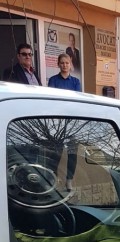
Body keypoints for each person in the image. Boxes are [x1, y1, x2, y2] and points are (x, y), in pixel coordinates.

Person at [48, 54, 81, 190]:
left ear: (70, 64)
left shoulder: (75, 82)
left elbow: (77, 100)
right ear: (58, 64)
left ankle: (69, 180)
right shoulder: (53, 80)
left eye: (67, 63)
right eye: (62, 63)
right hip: (57, 122)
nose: (64, 65)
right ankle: (53, 178)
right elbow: (51, 99)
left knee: (72, 153)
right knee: (56, 152)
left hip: (72, 122)